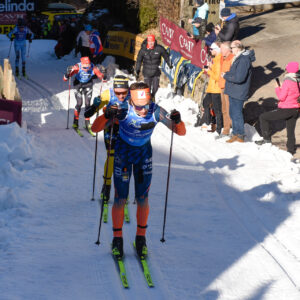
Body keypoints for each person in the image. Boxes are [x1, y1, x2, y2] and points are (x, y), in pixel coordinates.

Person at [91, 82, 186, 258]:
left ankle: (141, 239)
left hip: (144, 156)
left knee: (142, 198)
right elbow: (95, 128)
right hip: (123, 154)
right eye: (139, 107)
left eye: (146, 106)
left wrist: (178, 121)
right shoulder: (122, 110)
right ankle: (117, 240)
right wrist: (106, 115)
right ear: (131, 101)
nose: (143, 111)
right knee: (120, 198)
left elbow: (180, 132)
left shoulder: (156, 110)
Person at [84, 75, 131, 202]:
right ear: (114, 89)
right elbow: (88, 114)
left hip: (127, 129)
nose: (121, 96)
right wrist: (94, 106)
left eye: (124, 93)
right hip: (111, 128)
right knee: (111, 156)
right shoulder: (108, 94)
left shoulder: (133, 95)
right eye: (118, 93)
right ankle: (107, 186)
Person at [255, 62, 300, 155]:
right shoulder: (298, 80)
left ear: (289, 70)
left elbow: (281, 97)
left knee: (263, 117)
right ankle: (291, 150)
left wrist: (277, 88)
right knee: (290, 131)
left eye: (287, 68)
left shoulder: (288, 81)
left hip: (287, 108)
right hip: (296, 109)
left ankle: (266, 139)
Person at [223, 40, 255, 143]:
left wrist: (225, 76)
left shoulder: (243, 60)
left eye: (231, 48)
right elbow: (235, 73)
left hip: (239, 91)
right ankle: (235, 133)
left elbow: (239, 78)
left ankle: (240, 134)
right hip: (234, 90)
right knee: (233, 113)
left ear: (237, 48)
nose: (231, 50)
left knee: (237, 113)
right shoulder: (238, 58)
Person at [63, 56, 104, 132]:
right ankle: (75, 122)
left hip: (88, 84)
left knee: (88, 103)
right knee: (79, 103)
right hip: (78, 84)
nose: (86, 69)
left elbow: (102, 78)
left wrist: (103, 75)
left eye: (88, 66)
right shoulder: (77, 67)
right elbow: (65, 79)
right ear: (81, 64)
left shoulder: (93, 67)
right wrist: (67, 73)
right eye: (84, 67)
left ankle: (87, 123)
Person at [135, 35, 173, 99]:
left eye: (152, 42)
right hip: (147, 72)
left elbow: (166, 56)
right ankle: (149, 100)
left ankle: (152, 97)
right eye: (149, 42)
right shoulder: (143, 50)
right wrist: (137, 70)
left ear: (154, 41)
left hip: (156, 72)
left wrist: (169, 64)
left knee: (155, 89)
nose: (151, 44)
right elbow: (139, 61)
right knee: (148, 89)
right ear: (147, 42)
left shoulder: (159, 48)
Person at [201, 43, 223, 135]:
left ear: (216, 50)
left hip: (216, 88)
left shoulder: (218, 61)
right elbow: (216, 71)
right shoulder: (216, 60)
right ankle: (208, 122)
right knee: (206, 102)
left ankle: (218, 128)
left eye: (211, 49)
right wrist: (211, 66)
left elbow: (217, 77)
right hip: (212, 88)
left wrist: (208, 71)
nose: (210, 51)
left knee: (217, 109)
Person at [218, 41, 234, 137]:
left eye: (222, 49)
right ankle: (226, 129)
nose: (220, 50)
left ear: (228, 49)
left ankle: (231, 129)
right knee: (224, 109)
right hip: (221, 86)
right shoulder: (221, 58)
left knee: (229, 109)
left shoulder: (232, 58)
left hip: (228, 86)